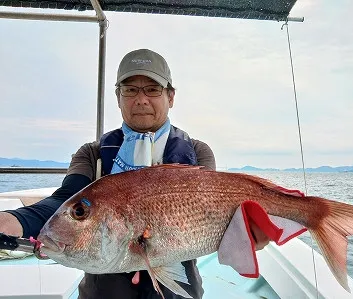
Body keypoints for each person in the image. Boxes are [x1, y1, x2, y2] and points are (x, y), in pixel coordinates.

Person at [0, 49, 216, 299]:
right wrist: (11, 221)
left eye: (152, 89)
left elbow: (208, 213)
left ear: (171, 96)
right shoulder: (93, 154)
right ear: (118, 96)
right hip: (105, 287)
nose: (141, 99)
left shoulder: (197, 152)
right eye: (130, 89)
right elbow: (65, 199)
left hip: (177, 287)